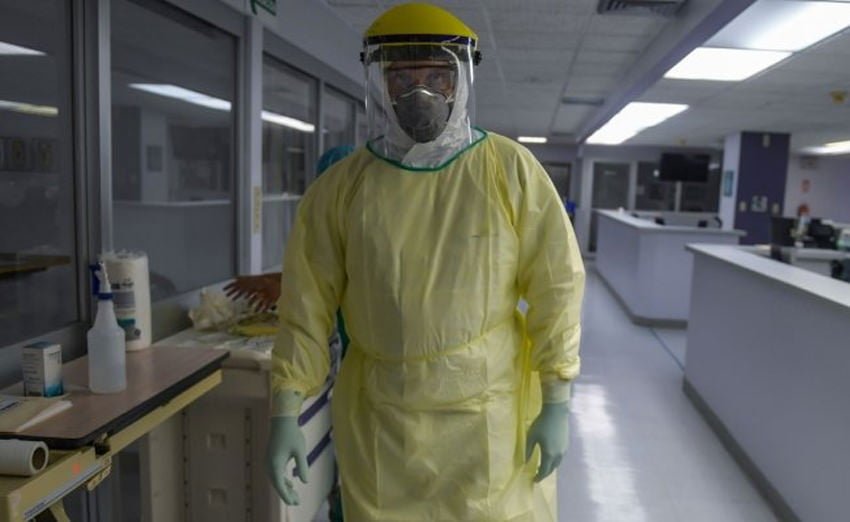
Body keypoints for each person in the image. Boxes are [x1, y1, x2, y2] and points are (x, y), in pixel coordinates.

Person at [267, 3, 585, 521]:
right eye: (403, 77)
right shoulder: (342, 188)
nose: (420, 92)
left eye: (437, 76)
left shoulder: (509, 171)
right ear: (380, 83)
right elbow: (306, 305)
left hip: (486, 414)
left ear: (461, 80)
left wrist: (557, 400)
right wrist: (286, 408)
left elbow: (558, 288)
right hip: (381, 419)